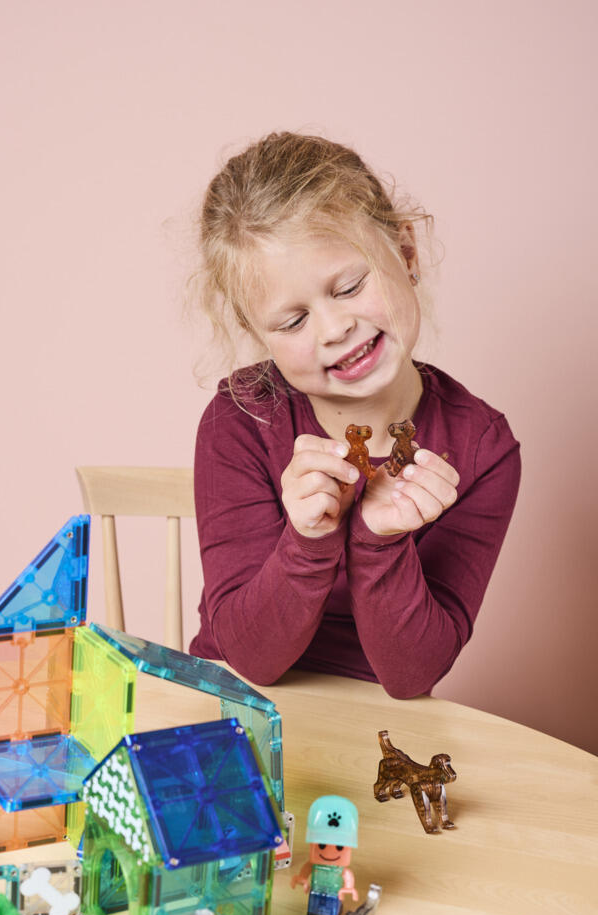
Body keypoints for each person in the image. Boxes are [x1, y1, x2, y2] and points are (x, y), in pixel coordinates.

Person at [189, 132, 521, 698]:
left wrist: (380, 540)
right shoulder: (240, 419)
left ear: (406, 254)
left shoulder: (481, 447)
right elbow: (249, 659)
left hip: (372, 722)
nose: (334, 329)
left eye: (349, 287)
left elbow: (411, 675)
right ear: (259, 334)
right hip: (232, 703)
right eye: (293, 322)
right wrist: (308, 539)